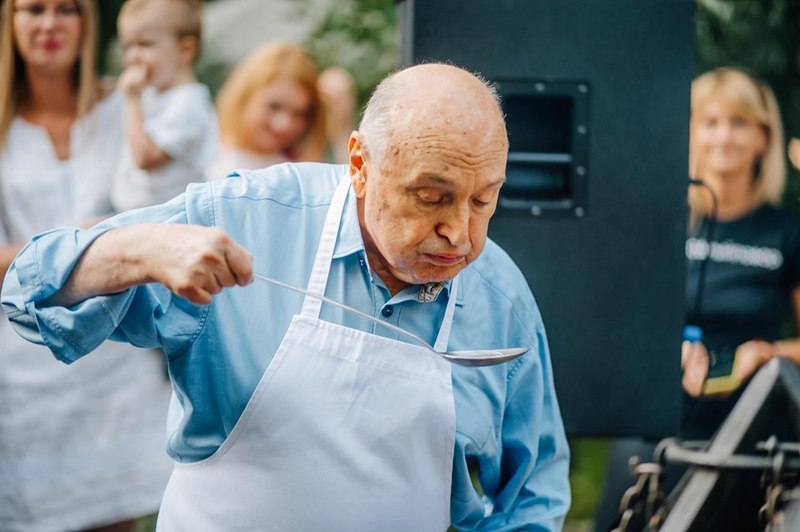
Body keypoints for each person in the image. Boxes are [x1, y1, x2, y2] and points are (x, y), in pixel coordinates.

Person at [2, 63, 571, 530]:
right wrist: (143, 250)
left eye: (483, 201)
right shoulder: (246, 217)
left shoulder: (501, 298)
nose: (462, 234)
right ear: (359, 165)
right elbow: (29, 286)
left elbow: (534, 493)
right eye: (431, 196)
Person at [595, 68, 800, 532]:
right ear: (690, 131)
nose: (724, 136)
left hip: (749, 437)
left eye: (739, 122)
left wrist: (768, 353)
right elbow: (615, 324)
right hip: (655, 430)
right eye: (710, 121)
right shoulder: (660, 221)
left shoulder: (786, 232)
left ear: (763, 138)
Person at [0, 1, 173, 531]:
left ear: (87, 24)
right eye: (34, 9)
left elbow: (165, 202)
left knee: (118, 514)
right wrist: (82, 246)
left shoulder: (124, 108)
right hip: (23, 363)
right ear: (11, 23)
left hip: (116, 356)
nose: (50, 24)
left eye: (67, 9)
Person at [111, 0, 217, 212]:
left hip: (168, 218)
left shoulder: (188, 104)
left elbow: (146, 157)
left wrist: (132, 100)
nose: (132, 57)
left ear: (185, 50)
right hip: (139, 214)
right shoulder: (154, 94)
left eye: (144, 44)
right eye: (127, 46)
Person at [205, 41, 354, 180]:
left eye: (299, 114)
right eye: (274, 106)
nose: (284, 125)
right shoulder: (207, 152)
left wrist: (341, 130)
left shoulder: (299, 168)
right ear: (244, 96)